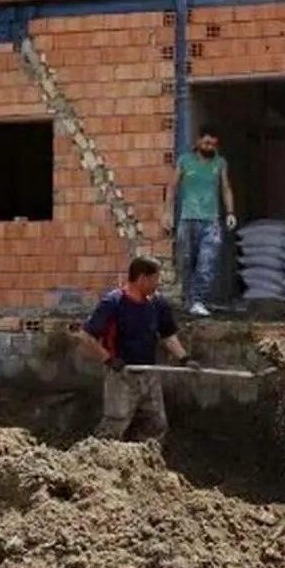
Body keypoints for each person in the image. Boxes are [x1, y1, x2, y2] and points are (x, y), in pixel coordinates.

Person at [78, 255, 200, 441]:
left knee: (156, 425)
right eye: (155, 279)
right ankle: (98, 462)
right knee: (114, 426)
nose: (157, 285)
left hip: (149, 374)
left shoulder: (157, 303)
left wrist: (184, 359)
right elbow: (86, 337)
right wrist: (108, 359)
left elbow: (168, 336)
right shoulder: (113, 303)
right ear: (142, 278)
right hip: (122, 375)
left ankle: (143, 464)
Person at [162, 125, 237, 317]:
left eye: (213, 144)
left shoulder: (220, 163)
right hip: (187, 220)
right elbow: (172, 188)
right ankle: (189, 301)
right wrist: (168, 213)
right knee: (187, 262)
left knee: (207, 261)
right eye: (206, 143)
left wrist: (230, 212)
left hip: (211, 221)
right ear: (197, 143)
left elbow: (225, 188)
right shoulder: (185, 161)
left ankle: (198, 301)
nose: (209, 146)